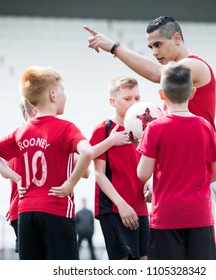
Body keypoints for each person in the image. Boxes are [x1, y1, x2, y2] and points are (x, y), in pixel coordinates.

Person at [85, 16, 216, 215]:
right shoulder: (173, 92)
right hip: (177, 170)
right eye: (151, 47)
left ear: (177, 38)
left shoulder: (195, 66)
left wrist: (114, 48)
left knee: (198, 242)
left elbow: (159, 74)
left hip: (198, 168)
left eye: (158, 44)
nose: (155, 52)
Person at [0, 66, 93, 260]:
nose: (65, 95)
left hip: (26, 213)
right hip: (56, 210)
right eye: (63, 90)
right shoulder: (66, 128)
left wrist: (17, 178)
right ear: (53, 95)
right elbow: (88, 152)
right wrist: (70, 183)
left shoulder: (21, 131)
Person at [137, 63, 216, 259]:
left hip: (166, 216)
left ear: (161, 94)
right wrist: (197, 182)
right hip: (200, 215)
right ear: (192, 92)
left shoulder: (155, 128)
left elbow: (143, 173)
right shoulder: (205, 126)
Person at [89, 76, 150, 260]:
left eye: (137, 98)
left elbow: (145, 166)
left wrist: (149, 183)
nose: (134, 103)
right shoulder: (104, 129)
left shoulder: (143, 128)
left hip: (140, 207)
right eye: (127, 98)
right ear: (113, 102)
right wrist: (121, 204)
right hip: (115, 208)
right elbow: (98, 173)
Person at [5, 97, 37, 254]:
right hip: (35, 207)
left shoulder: (15, 137)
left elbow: (6, 173)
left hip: (17, 206)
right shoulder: (40, 137)